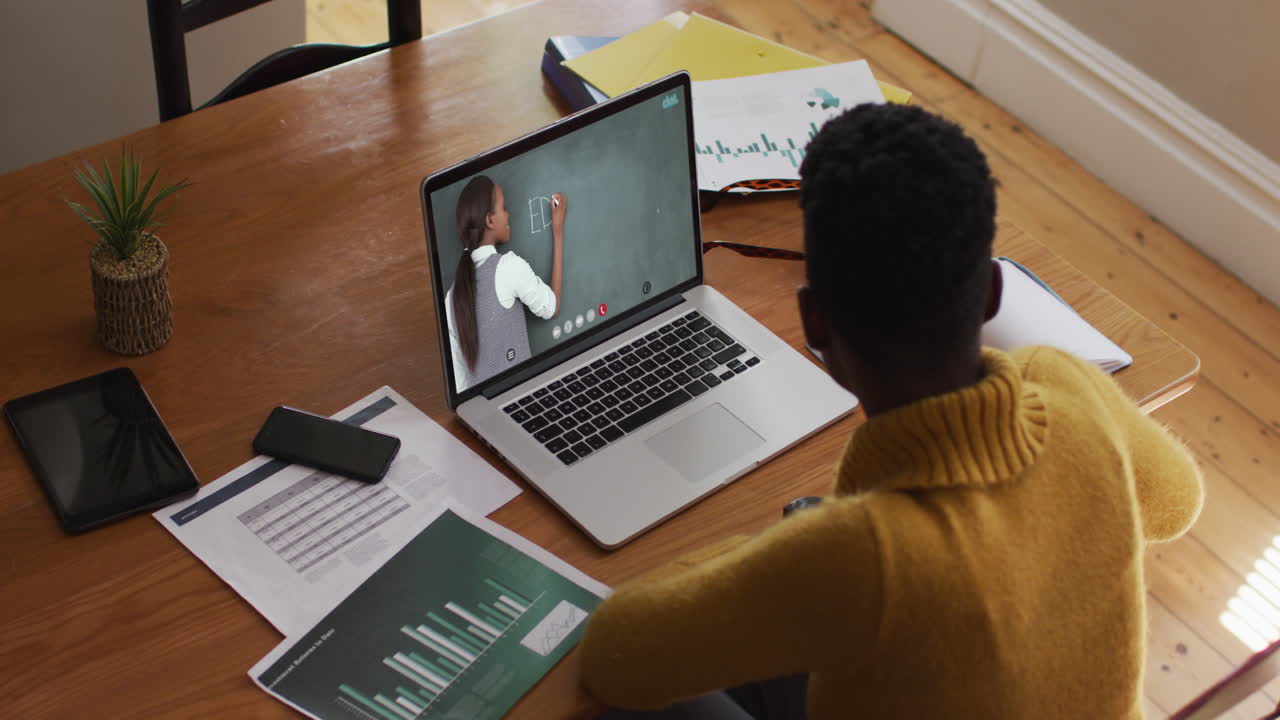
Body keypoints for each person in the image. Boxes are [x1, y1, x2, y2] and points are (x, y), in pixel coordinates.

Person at [577, 104, 1203, 718]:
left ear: (814, 321)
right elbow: (1177, 504)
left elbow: (615, 654)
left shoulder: (856, 558)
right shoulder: (1067, 383)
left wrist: (786, 550)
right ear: (990, 291)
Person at [445, 175, 566, 391]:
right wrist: (558, 230)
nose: (508, 214)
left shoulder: (451, 298)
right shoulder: (508, 267)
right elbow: (551, 307)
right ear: (490, 221)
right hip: (524, 401)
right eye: (504, 208)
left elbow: (462, 384)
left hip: (482, 415)